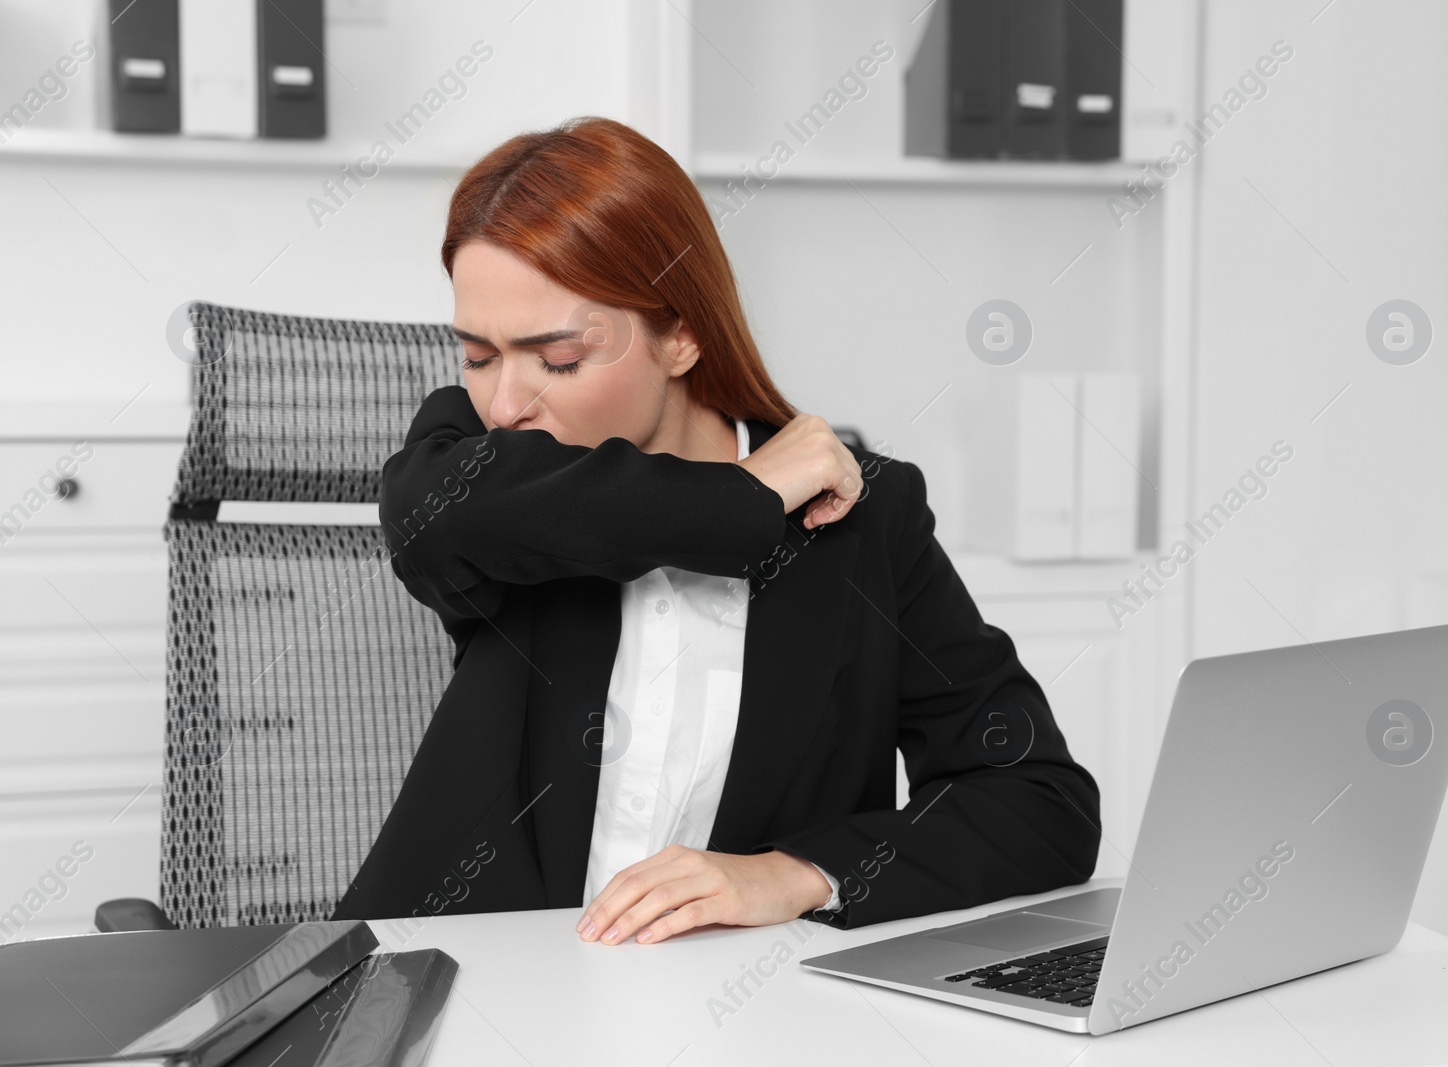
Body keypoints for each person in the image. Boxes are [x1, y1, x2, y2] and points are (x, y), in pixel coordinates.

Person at [332, 116, 1101, 946]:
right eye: (478, 356)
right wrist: (745, 498)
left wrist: (791, 873)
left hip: (725, 1005)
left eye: (556, 359)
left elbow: (1038, 801)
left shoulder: (861, 520)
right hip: (467, 984)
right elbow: (433, 516)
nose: (506, 403)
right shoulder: (478, 469)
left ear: (682, 334)